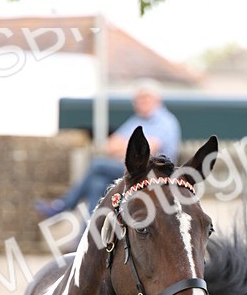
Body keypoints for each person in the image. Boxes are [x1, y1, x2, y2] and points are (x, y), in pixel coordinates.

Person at [36, 79, 182, 218]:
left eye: (146, 98)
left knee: (98, 164)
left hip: (152, 173)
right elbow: (109, 146)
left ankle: (65, 204)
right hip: (130, 169)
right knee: (97, 183)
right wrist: (127, 148)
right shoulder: (136, 120)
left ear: (157, 100)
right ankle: (88, 230)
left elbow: (145, 151)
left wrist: (123, 146)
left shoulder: (165, 121)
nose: (142, 102)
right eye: (138, 99)